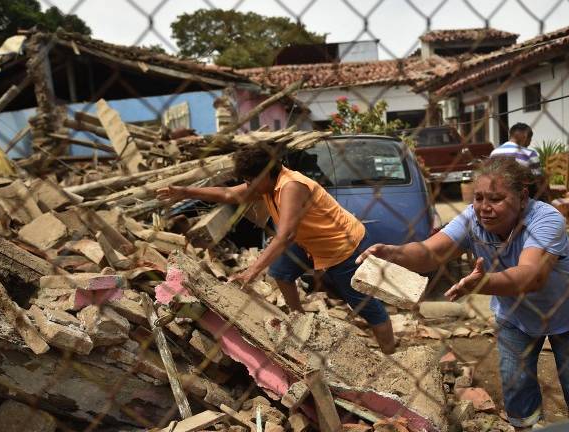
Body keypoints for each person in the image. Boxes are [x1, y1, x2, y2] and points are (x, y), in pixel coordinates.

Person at [356, 157, 569, 430]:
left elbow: (532, 276)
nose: (485, 208)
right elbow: (430, 253)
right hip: (517, 316)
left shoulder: (545, 219)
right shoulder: (472, 219)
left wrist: (482, 284)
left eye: (496, 199)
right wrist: (392, 253)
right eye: (479, 197)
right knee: (516, 385)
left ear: (522, 197)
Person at [157, 144, 397, 353]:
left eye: (250, 180)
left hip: (340, 246)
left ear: (264, 175)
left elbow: (285, 235)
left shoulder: (291, 186)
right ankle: (300, 323)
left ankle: (390, 354)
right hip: (306, 241)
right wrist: (184, 192)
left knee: (364, 305)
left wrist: (253, 270)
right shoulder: (267, 184)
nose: (247, 185)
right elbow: (229, 194)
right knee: (281, 274)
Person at [491, 123, 546, 200]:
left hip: (497, 192)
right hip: (522, 195)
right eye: (530, 139)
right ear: (525, 137)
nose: (529, 143)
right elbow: (538, 178)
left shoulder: (494, 152)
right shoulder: (529, 153)